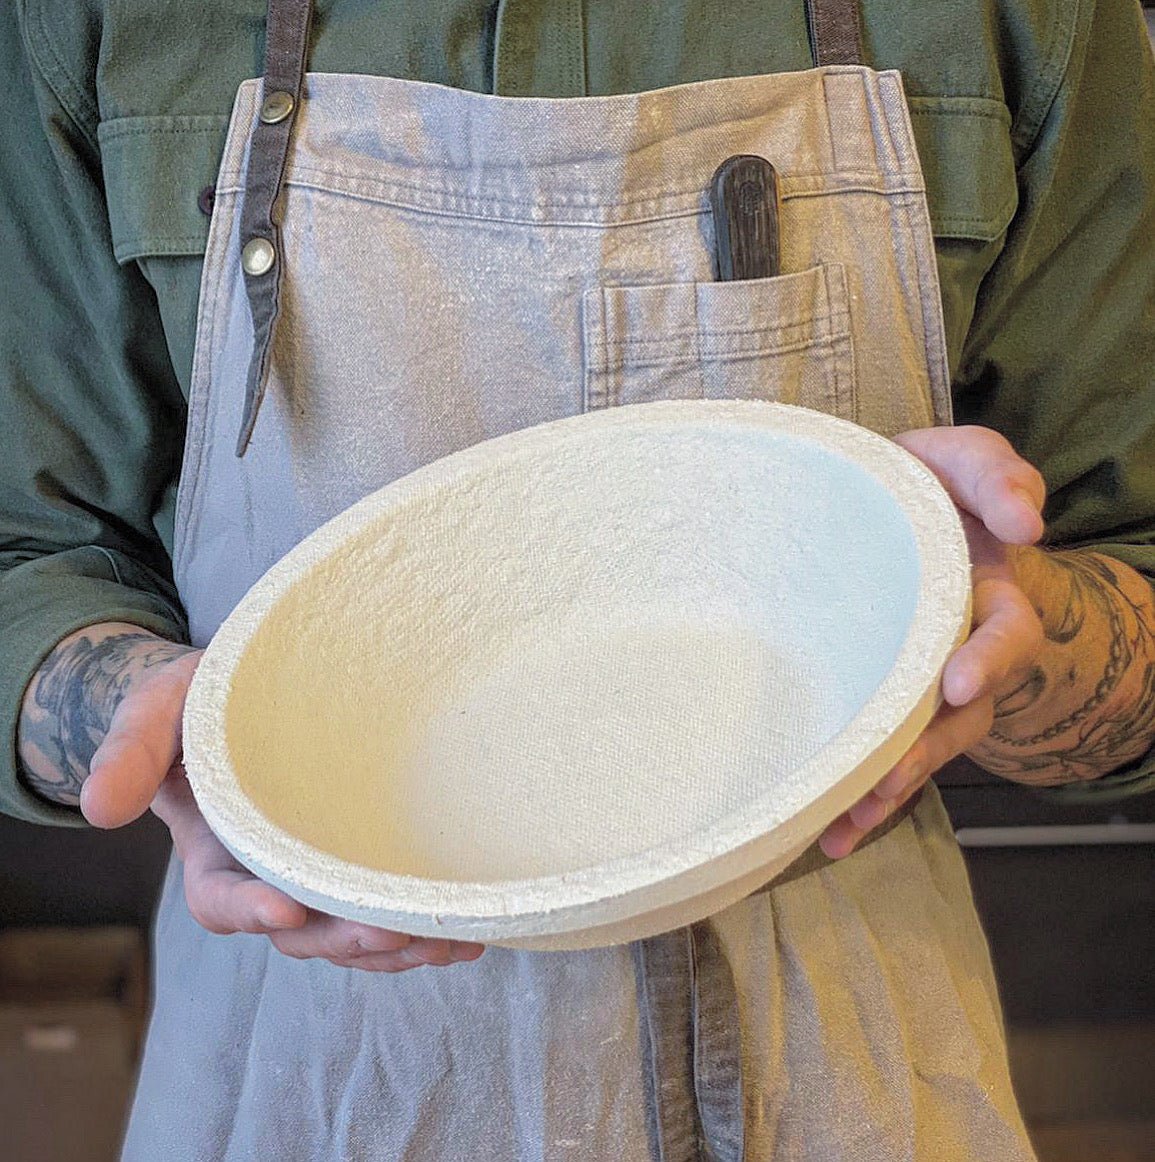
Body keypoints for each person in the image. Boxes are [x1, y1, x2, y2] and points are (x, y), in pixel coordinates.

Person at [3, 0, 1154, 1157]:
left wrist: (1019, 626)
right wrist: (142, 706)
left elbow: (1129, 575)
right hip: (317, 1079)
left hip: (856, 1070)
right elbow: (28, 556)